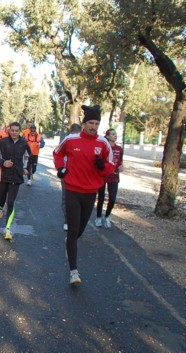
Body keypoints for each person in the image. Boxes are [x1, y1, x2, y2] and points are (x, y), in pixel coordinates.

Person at [53, 105, 115, 285]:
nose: (93, 127)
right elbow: (58, 153)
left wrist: (103, 167)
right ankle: (74, 271)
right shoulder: (71, 140)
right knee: (73, 231)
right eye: (91, 123)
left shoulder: (103, 143)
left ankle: (70, 242)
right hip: (72, 189)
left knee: (79, 230)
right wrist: (61, 168)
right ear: (84, 123)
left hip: (90, 193)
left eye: (96, 123)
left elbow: (110, 166)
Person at [0, 122, 32, 241]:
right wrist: (3, 163)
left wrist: (26, 168)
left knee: (11, 202)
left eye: (16, 130)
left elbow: (29, 158)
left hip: (16, 176)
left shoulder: (24, 144)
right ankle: (0, 206)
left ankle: (7, 229)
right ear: (9, 130)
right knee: (2, 199)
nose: (14, 133)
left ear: (19, 131)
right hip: (3, 175)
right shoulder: (2, 142)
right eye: (12, 130)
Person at [95, 128, 123, 228]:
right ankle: (98, 217)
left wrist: (121, 166)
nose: (115, 136)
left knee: (112, 198)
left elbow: (120, 161)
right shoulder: (103, 147)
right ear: (107, 136)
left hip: (114, 176)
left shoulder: (119, 149)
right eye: (112, 134)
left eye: (115, 134)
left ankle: (107, 216)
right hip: (103, 176)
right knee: (101, 198)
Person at [61, 123, 81, 231]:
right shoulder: (67, 140)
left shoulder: (82, 141)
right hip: (68, 173)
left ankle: (70, 220)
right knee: (68, 198)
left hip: (75, 174)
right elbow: (57, 154)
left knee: (69, 198)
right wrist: (61, 169)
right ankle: (68, 220)